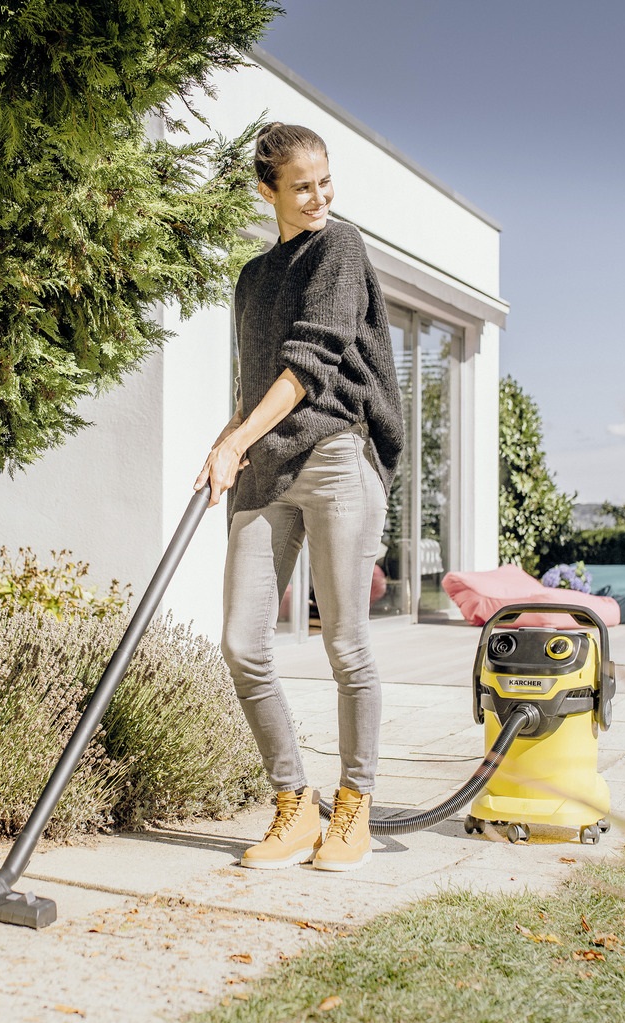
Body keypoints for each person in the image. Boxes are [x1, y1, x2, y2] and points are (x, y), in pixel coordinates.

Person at [196, 122, 403, 872]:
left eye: (325, 180)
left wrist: (234, 440)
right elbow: (260, 382)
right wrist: (228, 440)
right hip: (267, 467)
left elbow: (309, 367)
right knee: (243, 642)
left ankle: (355, 806)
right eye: (302, 186)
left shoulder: (339, 248)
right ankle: (295, 804)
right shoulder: (252, 277)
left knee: (345, 642)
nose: (320, 197)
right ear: (267, 191)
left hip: (338, 456)